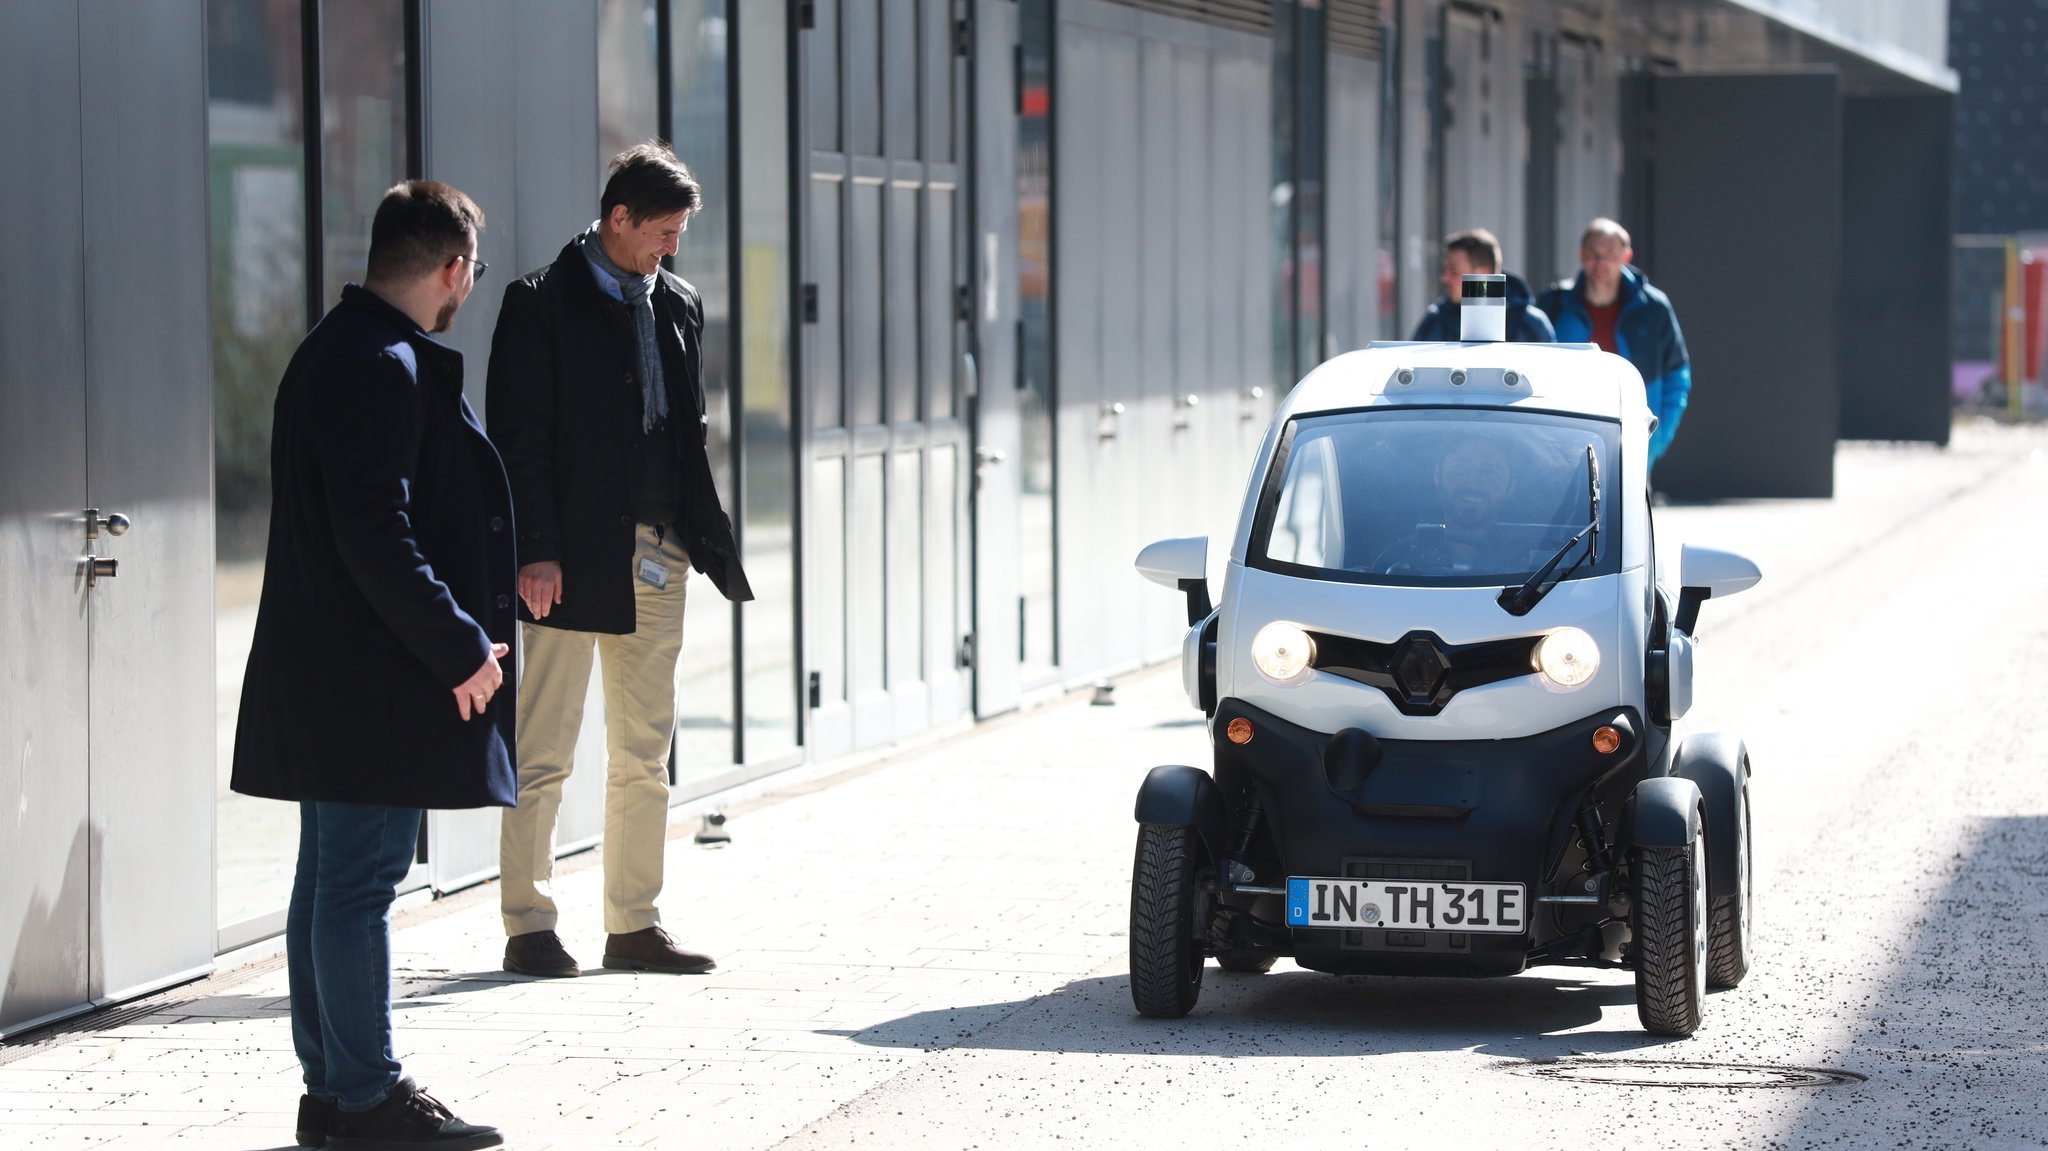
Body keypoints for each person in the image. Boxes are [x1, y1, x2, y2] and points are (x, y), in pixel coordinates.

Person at [230, 180, 509, 1150]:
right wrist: (462, 644)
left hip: (335, 672)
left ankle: (334, 1091)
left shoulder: (332, 351)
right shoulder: (379, 363)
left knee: (332, 876)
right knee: (358, 880)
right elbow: (376, 534)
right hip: (368, 679)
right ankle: (366, 1095)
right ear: (452, 266)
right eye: (470, 268)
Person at [489, 142, 754, 980]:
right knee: (547, 748)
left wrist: (694, 534)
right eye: (663, 231)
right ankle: (528, 923)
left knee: (646, 749)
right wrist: (537, 550)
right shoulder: (539, 302)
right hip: (565, 558)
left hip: (656, 553)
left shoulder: (678, 302)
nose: (671, 247)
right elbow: (519, 443)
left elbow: (689, 431)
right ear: (619, 219)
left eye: (679, 233)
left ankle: (633, 923)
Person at [1537, 218, 1692, 466]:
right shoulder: (1554, 303)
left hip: (1634, 444)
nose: (1600, 263)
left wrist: (1655, 440)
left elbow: (1677, 375)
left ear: (1626, 255)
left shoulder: (1653, 308)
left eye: (1608, 254)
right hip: (1565, 445)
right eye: (1592, 254)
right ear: (1580, 255)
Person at [1410, 228, 1556, 343]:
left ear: (1482, 274)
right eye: (1445, 269)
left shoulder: (1531, 325)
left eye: (1454, 271)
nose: (1444, 278)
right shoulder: (1435, 320)